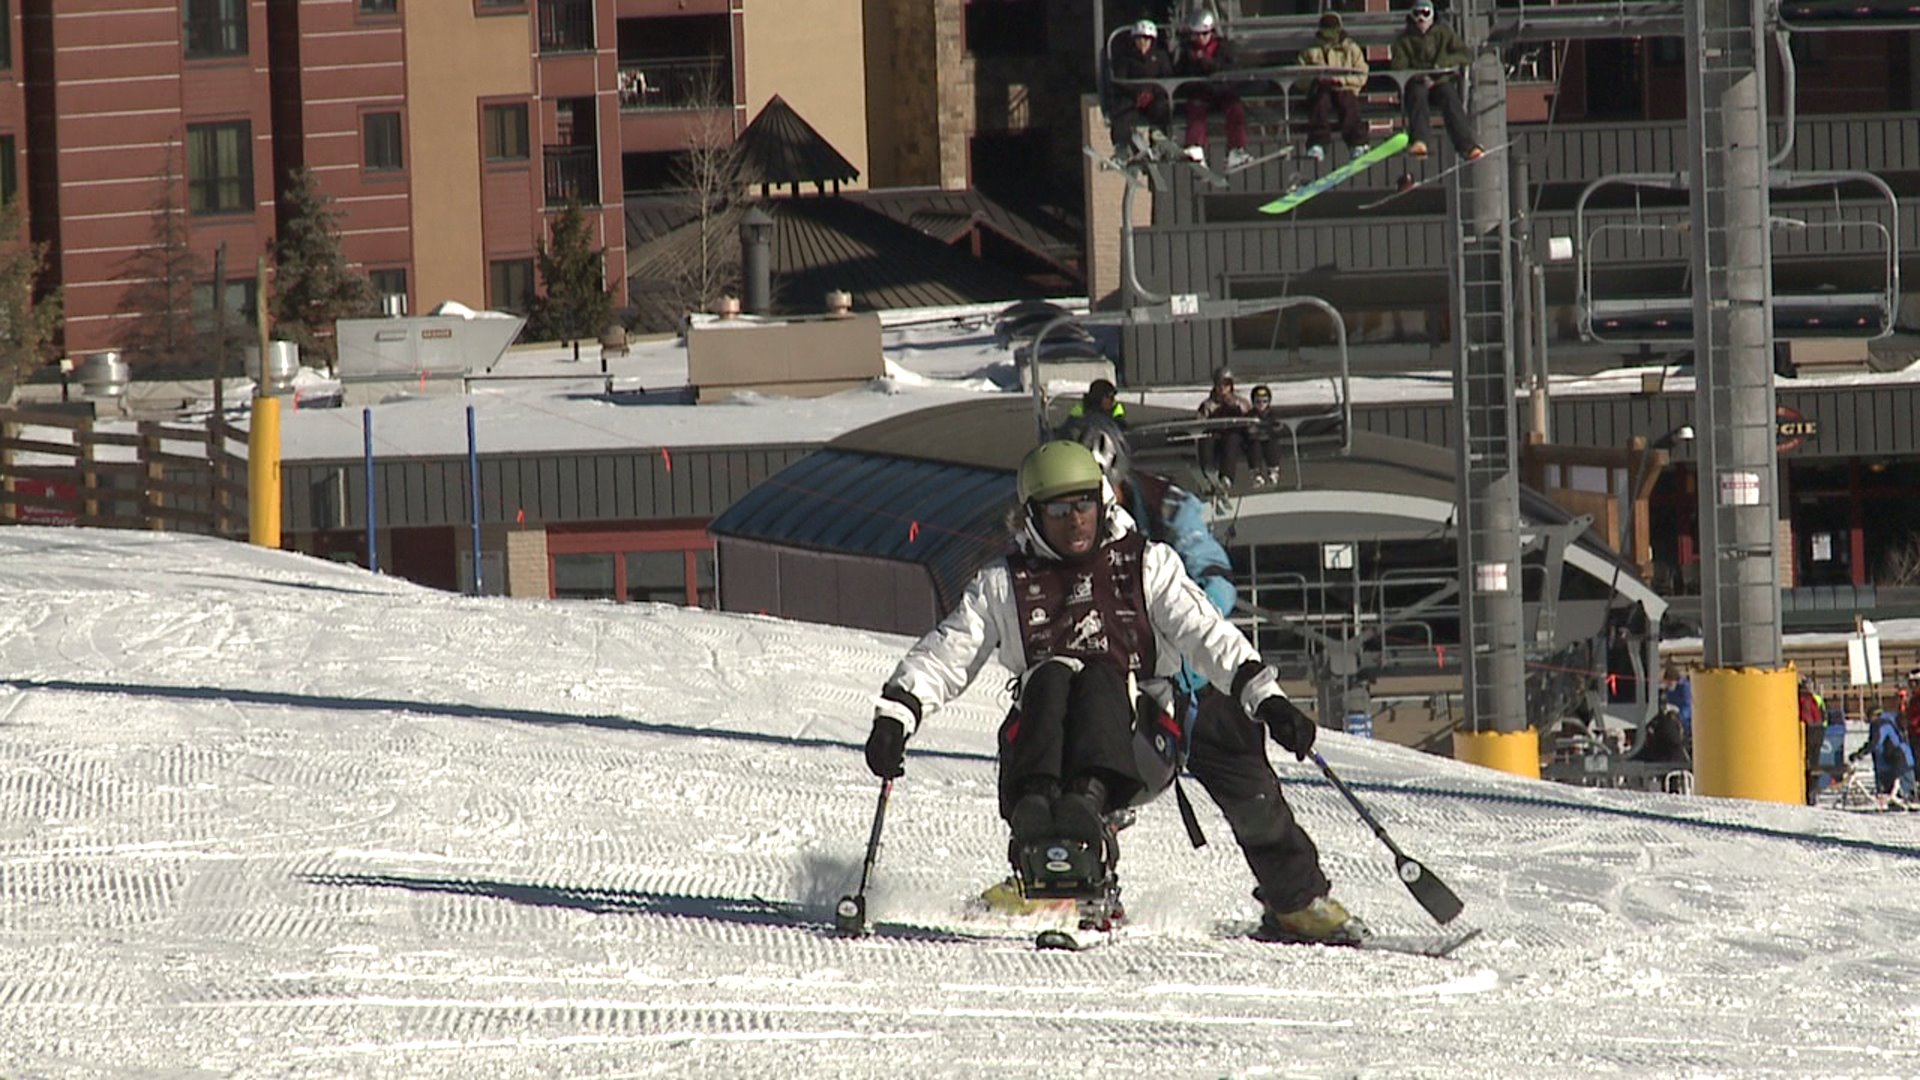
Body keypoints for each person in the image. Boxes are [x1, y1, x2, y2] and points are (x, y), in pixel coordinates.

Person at [863, 439, 1367, 944]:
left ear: (1104, 498)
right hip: (1048, 741)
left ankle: (1297, 901)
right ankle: (1052, 859)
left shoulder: (1148, 560)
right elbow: (950, 650)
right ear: (1032, 516)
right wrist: (898, 714)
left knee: (1133, 697)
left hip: (1146, 732)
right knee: (1054, 675)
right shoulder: (1005, 584)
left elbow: (1204, 631)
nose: (1075, 520)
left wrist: (1267, 698)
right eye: (1058, 510)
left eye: (1083, 503)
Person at [1390, 1, 1484, 162]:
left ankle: (1467, 146)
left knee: (1449, 96)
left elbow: (1465, 55)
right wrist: (1419, 76)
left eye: (1425, 13)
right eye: (1417, 13)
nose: (1421, 18)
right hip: (1417, 84)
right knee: (1417, 95)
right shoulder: (1404, 39)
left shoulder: (1444, 34)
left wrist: (1442, 64)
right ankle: (1420, 141)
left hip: (1440, 81)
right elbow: (1399, 65)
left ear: (1432, 15)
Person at [1175, 9, 1251, 171]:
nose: (1201, 38)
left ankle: (1236, 150)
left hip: (1222, 91)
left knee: (1235, 109)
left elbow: (1231, 70)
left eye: (1204, 34)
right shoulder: (1187, 52)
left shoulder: (1224, 48)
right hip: (1201, 92)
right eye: (1197, 34)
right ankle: (1195, 146)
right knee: (1196, 109)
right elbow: (1181, 74)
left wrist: (1208, 63)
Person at [1295, 12, 1368, 162]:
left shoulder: (1350, 49)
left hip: (1344, 88)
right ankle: (1317, 143)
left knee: (1348, 103)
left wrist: (1342, 80)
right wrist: (1314, 80)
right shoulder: (1310, 50)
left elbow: (1362, 74)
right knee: (1320, 102)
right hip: (1321, 89)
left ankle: (1357, 143)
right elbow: (1299, 77)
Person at [1108, 20, 1174, 162]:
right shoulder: (1127, 59)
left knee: (1161, 107)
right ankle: (1121, 146)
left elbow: (1166, 78)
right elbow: (1121, 80)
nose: (1143, 43)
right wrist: (1137, 93)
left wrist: (1151, 92)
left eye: (1146, 39)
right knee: (1122, 112)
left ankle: (1158, 141)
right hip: (1133, 98)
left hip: (1153, 98)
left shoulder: (1160, 57)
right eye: (1139, 39)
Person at [1197, 367, 1253, 488]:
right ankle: (1208, 473)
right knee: (1206, 439)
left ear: (1231, 385)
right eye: (1219, 384)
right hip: (1215, 438)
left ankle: (1226, 477)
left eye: (1226, 384)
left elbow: (1250, 420)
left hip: (1234, 438)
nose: (1222, 388)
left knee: (1231, 440)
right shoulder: (1208, 405)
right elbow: (1199, 424)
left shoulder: (1240, 402)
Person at [1057, 378, 1127, 442]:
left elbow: (1121, 430)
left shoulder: (1116, 408)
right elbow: (1068, 431)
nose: (1112, 400)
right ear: (1098, 398)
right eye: (1109, 397)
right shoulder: (1080, 410)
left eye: (1113, 397)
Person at [1245, 384, 1279, 487]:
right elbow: (1246, 429)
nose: (1261, 405)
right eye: (1258, 402)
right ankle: (1256, 473)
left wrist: (1272, 429)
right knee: (1254, 447)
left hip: (1268, 440)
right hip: (1254, 441)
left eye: (1264, 401)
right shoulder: (1250, 415)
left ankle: (1273, 470)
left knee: (1271, 445)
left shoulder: (1272, 414)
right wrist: (1250, 431)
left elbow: (1278, 427)